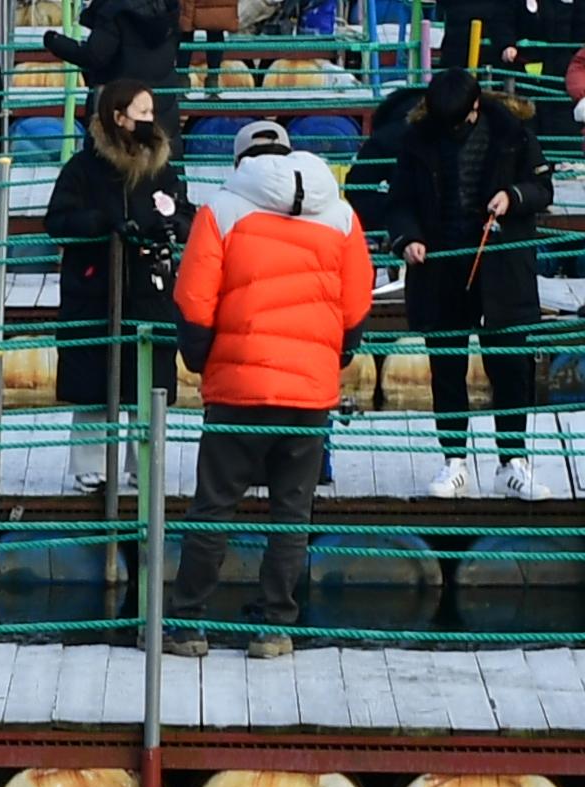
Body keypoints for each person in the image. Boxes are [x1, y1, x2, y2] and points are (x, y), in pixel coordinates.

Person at [168, 118, 369, 657]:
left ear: (240, 162)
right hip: (309, 391)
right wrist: (336, 355)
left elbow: (193, 299)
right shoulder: (342, 213)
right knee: (292, 512)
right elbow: (356, 306)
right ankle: (274, 625)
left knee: (213, 505)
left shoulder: (221, 208)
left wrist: (198, 359)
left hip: (238, 385)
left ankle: (187, 624)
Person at [390, 70, 547, 499]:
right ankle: (454, 461)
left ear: (476, 107)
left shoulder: (514, 133)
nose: (452, 129)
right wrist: (408, 238)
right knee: (447, 369)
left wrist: (513, 196)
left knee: (512, 368)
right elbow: (398, 203)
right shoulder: (417, 138)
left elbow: (542, 188)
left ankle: (512, 461)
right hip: (441, 268)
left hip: (503, 267)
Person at [46, 78, 184, 488]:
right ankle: (90, 466)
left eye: (151, 113)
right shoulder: (84, 168)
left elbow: (183, 209)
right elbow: (58, 222)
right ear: (118, 116)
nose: (148, 120)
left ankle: (143, 465)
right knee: (94, 381)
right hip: (95, 288)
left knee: (148, 382)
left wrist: (171, 224)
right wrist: (102, 225)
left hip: (149, 286)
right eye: (140, 112)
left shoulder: (162, 168)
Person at [39, 0, 175, 105]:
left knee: (110, 138)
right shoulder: (168, 7)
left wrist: (55, 42)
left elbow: (94, 56)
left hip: (118, 101)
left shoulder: (113, 9)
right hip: (161, 102)